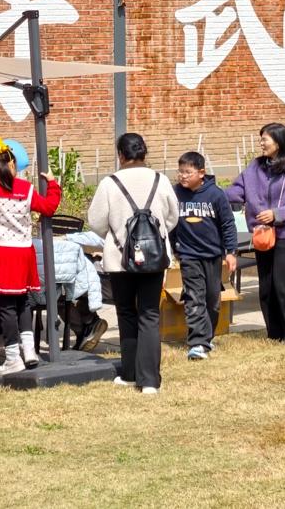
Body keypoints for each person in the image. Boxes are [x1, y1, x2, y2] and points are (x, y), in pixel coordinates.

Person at [87, 133, 179, 394]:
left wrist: (117, 234)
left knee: (126, 312)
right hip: (154, 257)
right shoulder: (160, 180)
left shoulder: (109, 183)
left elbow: (96, 221)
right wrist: (155, 235)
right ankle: (149, 380)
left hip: (119, 258)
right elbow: (172, 217)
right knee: (150, 314)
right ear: (144, 153)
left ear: (121, 155)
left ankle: (129, 373)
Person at [0, 131, 61, 375]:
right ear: (13, 165)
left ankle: (12, 357)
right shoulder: (26, 188)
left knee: (6, 307)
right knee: (23, 302)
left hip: (2, 253)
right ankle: (30, 351)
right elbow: (49, 207)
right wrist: (53, 184)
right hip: (25, 252)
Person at [227, 123, 285, 346]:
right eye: (261, 139)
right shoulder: (254, 168)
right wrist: (210, 192)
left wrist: (276, 214)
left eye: (265, 139)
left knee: (281, 284)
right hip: (262, 235)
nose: (261, 143)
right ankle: (274, 333)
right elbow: (236, 192)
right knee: (266, 287)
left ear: (279, 142)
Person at [171, 151, 238, 361]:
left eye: (187, 172)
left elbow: (227, 224)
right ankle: (197, 343)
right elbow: (170, 222)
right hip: (188, 255)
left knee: (212, 300)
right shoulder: (175, 193)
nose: (182, 176)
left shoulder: (215, 194)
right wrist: (173, 248)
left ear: (201, 173)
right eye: (180, 171)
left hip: (212, 255)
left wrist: (231, 252)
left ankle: (207, 337)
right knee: (194, 298)